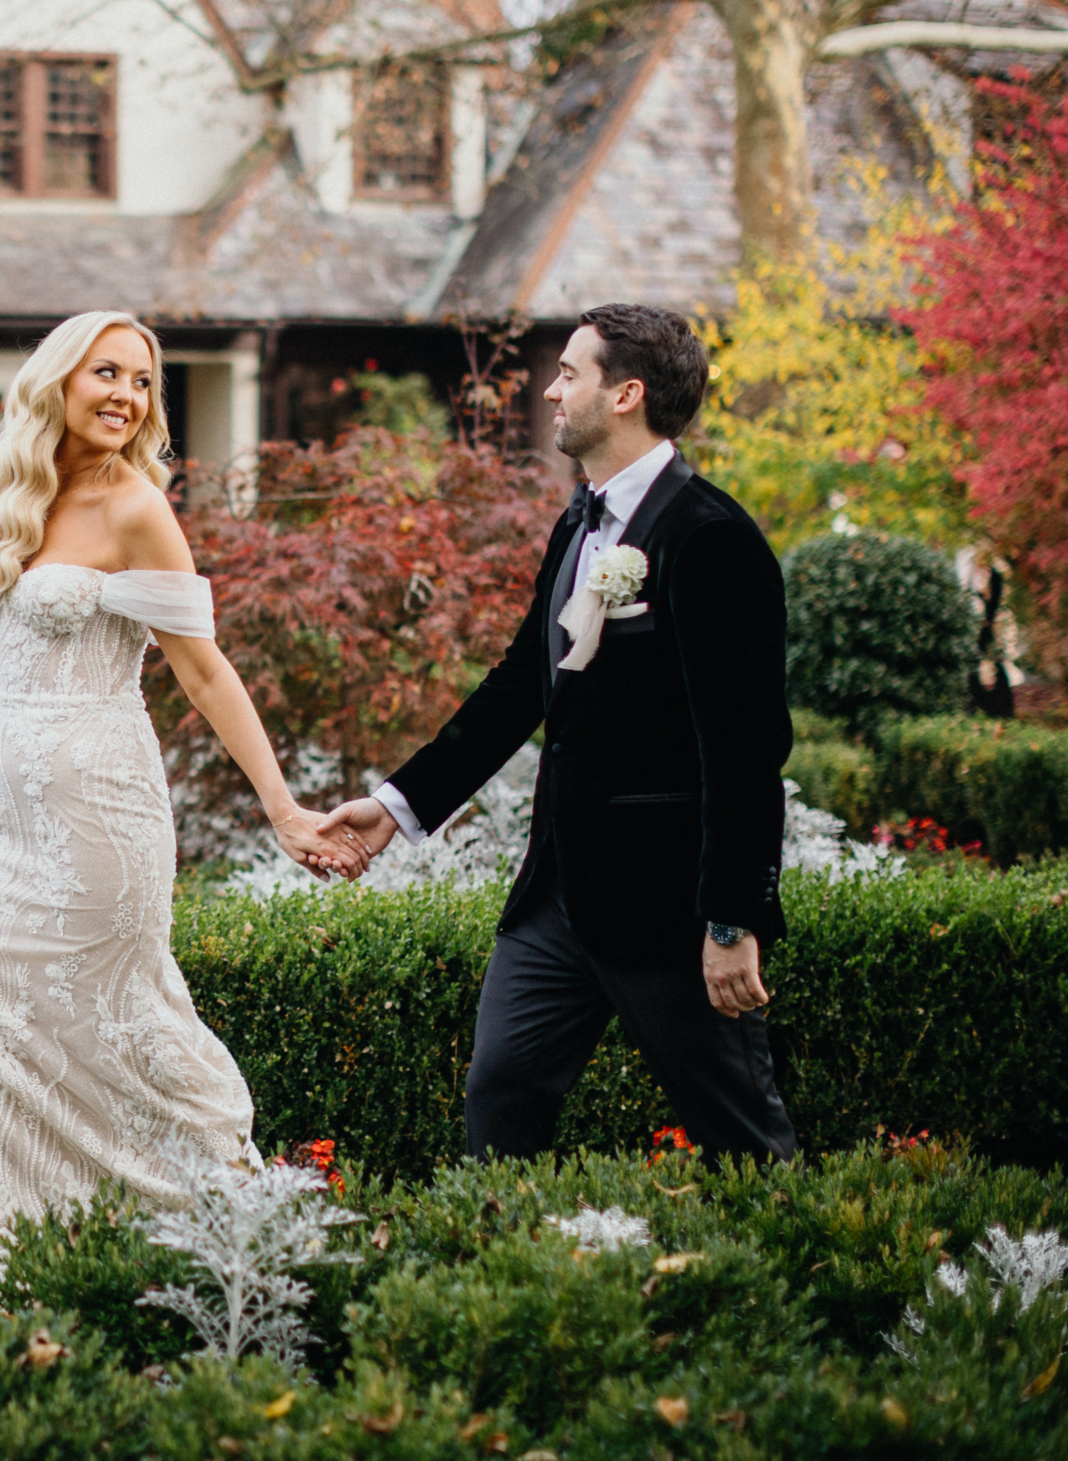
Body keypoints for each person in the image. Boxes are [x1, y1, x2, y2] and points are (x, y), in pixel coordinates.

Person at [0, 310, 365, 1280]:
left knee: (109, 1030)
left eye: (140, 380)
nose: (126, 395)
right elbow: (20, 668)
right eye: (106, 374)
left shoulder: (135, 507)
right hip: (2, 807)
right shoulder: (23, 495)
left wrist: (283, 809)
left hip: (99, 816)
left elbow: (202, 671)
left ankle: (221, 1232)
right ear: (59, 383)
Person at [324, 303, 798, 1162]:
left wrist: (732, 918)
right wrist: (396, 806)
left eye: (569, 373)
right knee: (499, 1095)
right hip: (554, 901)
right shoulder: (578, 522)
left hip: (666, 907)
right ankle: (513, 1280)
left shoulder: (713, 539)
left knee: (744, 1140)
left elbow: (745, 748)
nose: (550, 388)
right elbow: (520, 687)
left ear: (627, 394)